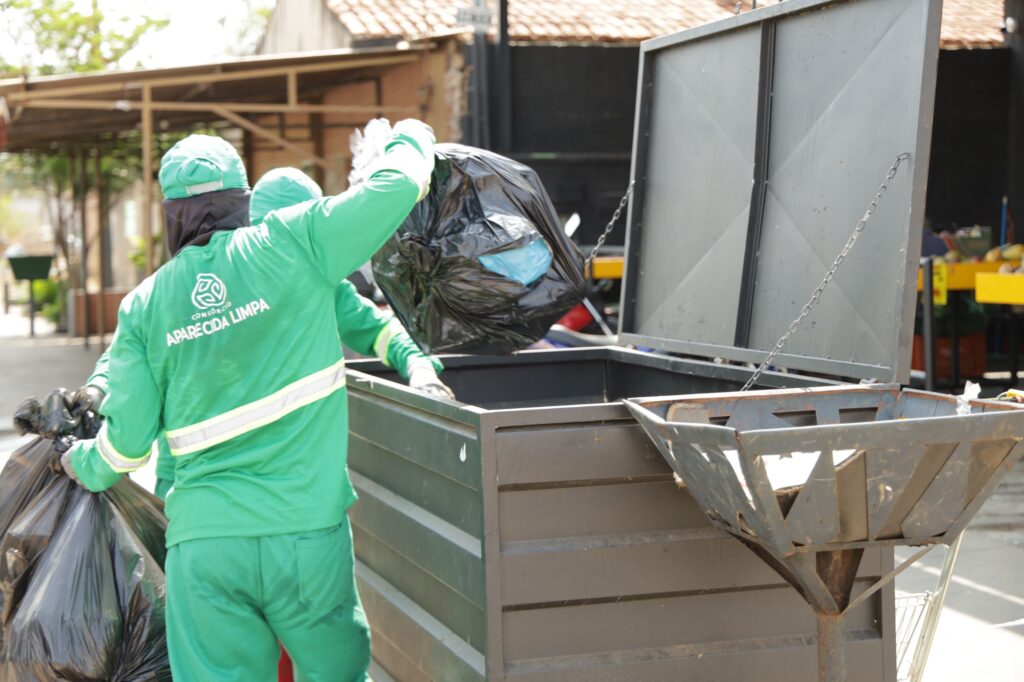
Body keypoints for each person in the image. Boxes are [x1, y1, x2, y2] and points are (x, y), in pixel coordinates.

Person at [59, 121, 436, 681]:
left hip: (206, 549)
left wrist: (77, 461)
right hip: (306, 534)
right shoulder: (296, 242)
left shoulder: (145, 304)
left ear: (170, 215)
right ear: (243, 199)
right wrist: (411, 135)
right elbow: (398, 186)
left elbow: (123, 451)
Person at [71, 167, 452, 502]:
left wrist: (417, 364)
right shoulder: (194, 282)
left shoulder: (318, 283)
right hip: (199, 485)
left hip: (236, 492)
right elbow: (134, 347)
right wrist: (99, 387)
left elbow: (376, 329)